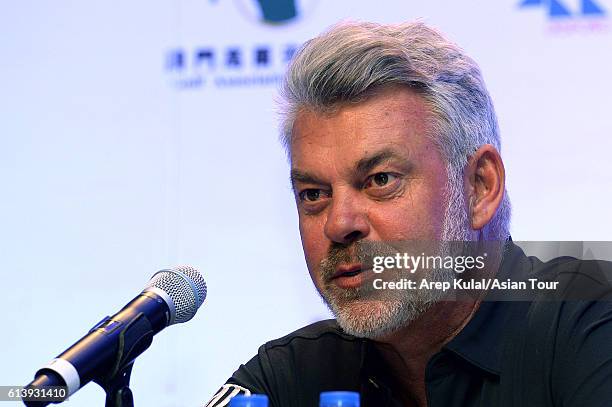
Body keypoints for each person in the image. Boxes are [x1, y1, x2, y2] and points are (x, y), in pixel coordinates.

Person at [203, 21, 612, 407]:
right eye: (314, 193)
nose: (340, 224)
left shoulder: (592, 323)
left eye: (380, 180)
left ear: (479, 187)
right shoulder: (290, 376)